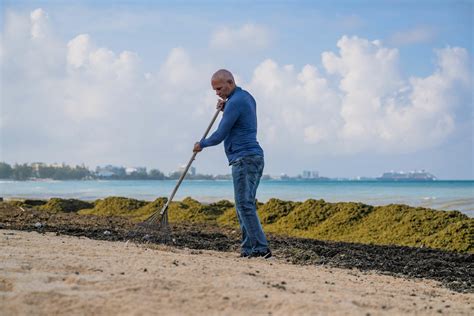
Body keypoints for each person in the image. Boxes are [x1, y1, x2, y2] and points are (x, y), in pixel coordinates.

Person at [193, 69, 272, 259]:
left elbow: (220, 135)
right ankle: (248, 249)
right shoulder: (244, 97)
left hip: (245, 159)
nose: (217, 93)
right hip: (251, 158)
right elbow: (235, 123)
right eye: (215, 90)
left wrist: (201, 144)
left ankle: (261, 249)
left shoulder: (235, 102)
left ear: (230, 82)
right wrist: (224, 110)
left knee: (244, 205)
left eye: (219, 88)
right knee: (244, 205)